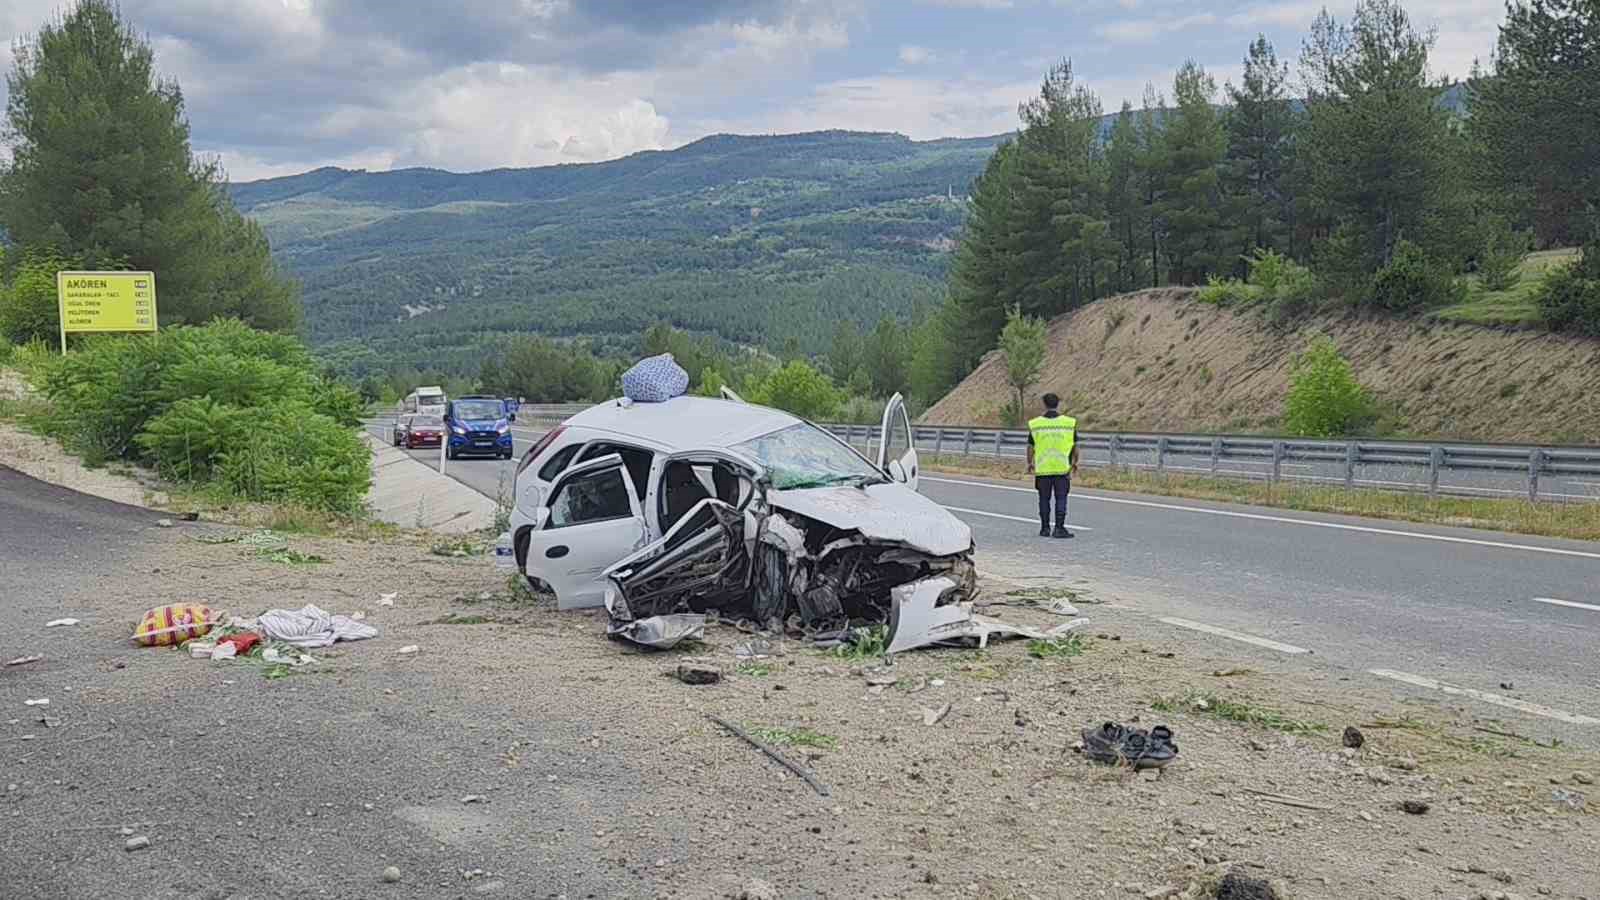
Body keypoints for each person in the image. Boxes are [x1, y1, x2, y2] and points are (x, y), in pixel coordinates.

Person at [1026, 393, 1079, 538]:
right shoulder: (1068, 423)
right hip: (1062, 469)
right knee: (1061, 498)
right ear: (1058, 404)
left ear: (1044, 404)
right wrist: (1075, 462)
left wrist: (1030, 463)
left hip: (1043, 469)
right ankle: (1059, 528)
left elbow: (1031, 446)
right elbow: (1075, 446)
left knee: (1044, 499)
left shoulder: (1036, 424)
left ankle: (1044, 528)